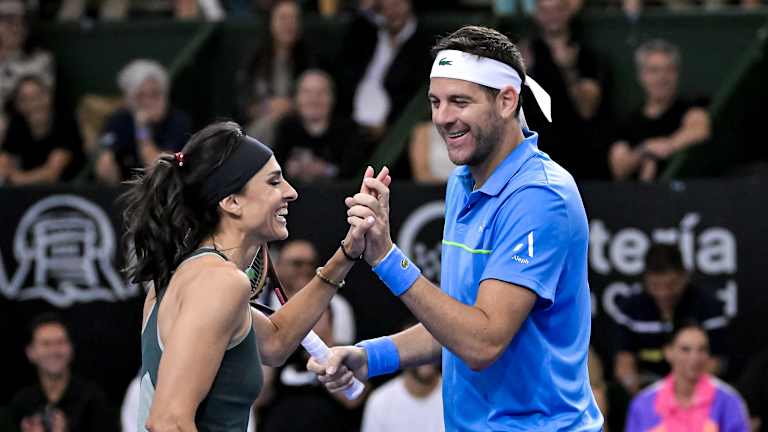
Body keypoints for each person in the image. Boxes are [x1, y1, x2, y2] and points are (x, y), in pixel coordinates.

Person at [309, 25, 603, 430]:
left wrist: (387, 258)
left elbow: (481, 341)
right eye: (435, 102)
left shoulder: (540, 196)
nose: (443, 118)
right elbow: (454, 326)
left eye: (460, 102)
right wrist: (367, 356)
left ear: (506, 101)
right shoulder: (461, 182)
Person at [120, 121, 386, 431]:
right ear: (231, 201)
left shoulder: (184, 274)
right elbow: (168, 422)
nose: (291, 192)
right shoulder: (220, 283)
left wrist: (348, 253)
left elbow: (276, 341)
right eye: (274, 182)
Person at [613, 243, 728, 395]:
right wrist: (638, 394)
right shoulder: (630, 308)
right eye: (655, 285)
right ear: (646, 280)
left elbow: (716, 362)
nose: (663, 293)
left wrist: (684, 392)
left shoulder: (708, 306)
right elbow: (624, 362)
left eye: (671, 285)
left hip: (695, 387)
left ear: (684, 277)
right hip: (646, 388)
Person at [608, 39, 711, 182]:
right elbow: (619, 168)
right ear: (641, 76)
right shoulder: (627, 122)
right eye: (654, 71)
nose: (662, 78)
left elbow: (699, 130)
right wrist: (645, 151)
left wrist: (667, 145)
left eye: (669, 70)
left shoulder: (690, 109)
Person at [625, 322, 750, 432]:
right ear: (668, 352)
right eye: (685, 349)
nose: (695, 358)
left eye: (702, 349)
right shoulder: (643, 403)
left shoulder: (729, 400)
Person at [9, 313, 116, 432]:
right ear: (30, 352)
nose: (54, 350)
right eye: (46, 344)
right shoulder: (21, 402)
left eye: (60, 342)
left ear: (71, 348)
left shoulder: (93, 400)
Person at [95, 59, 191, 184]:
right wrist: (107, 157)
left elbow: (159, 170)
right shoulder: (120, 120)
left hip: (168, 190)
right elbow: (104, 171)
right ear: (129, 99)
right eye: (140, 96)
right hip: (127, 191)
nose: (148, 102)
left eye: (155, 94)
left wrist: (142, 130)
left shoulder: (178, 121)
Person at [236, 0, 314, 145]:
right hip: (261, 123)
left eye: (294, 19)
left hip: (298, 125)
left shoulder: (308, 58)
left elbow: (316, 100)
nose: (289, 24)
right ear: (271, 22)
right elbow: (243, 105)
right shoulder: (254, 58)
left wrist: (290, 106)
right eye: (283, 18)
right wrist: (269, 107)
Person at [272, 69, 366, 183]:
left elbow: (353, 173)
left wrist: (326, 170)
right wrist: (288, 170)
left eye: (321, 92)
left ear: (332, 98)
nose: (314, 99)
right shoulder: (285, 128)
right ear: (296, 98)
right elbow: (273, 170)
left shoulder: (349, 131)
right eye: (307, 93)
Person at [0, 74, 85, 185]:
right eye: (25, 99)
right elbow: (5, 160)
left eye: (38, 96)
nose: (34, 104)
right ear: (17, 105)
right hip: (26, 192)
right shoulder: (17, 123)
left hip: (70, 191)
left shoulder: (65, 121)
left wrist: (16, 179)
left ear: (49, 96)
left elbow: (51, 173)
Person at [361, 322, 444, 432]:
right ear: (403, 353)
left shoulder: (457, 394)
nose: (426, 357)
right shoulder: (380, 401)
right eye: (416, 347)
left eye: (431, 346)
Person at [0, 0, 54, 138]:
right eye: (8, 21)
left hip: (20, 129)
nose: (16, 27)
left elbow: (40, 105)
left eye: (22, 22)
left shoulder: (40, 60)